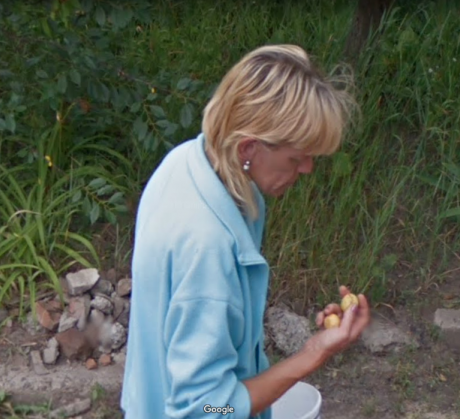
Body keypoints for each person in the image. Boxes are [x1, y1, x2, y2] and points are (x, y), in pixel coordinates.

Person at [121, 44, 370, 419]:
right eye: (296, 157)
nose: (307, 169)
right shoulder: (209, 248)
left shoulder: (187, 163)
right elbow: (204, 407)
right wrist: (313, 353)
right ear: (248, 148)